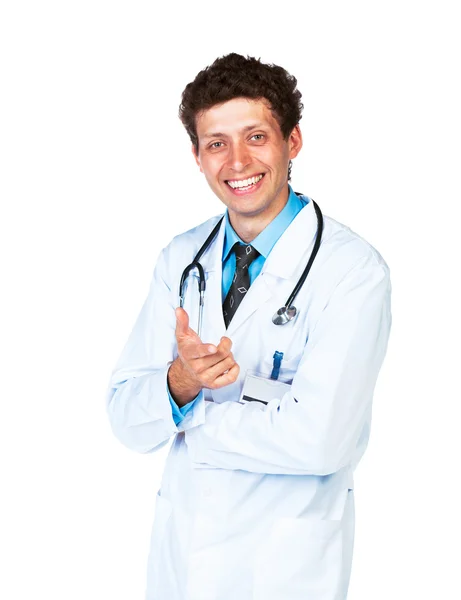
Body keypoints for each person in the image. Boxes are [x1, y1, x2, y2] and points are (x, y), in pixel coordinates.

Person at [106, 53, 392, 600]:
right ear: (197, 155)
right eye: (216, 143)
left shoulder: (352, 272)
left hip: (285, 569)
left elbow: (321, 442)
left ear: (293, 141)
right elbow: (127, 418)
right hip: (182, 564)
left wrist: (190, 420)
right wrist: (183, 384)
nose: (237, 161)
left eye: (256, 137)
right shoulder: (181, 258)